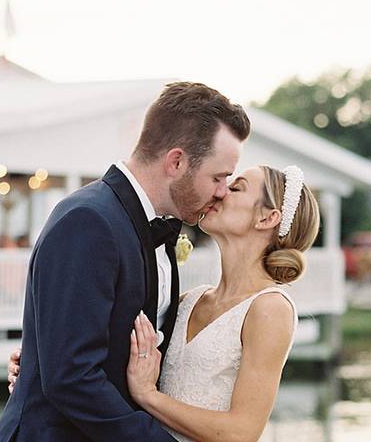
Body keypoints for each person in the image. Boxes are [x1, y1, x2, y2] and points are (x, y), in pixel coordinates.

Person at [0, 82, 250, 442]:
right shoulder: (88, 220)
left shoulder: (152, 225)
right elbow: (70, 377)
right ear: (177, 162)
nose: (223, 190)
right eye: (218, 177)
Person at [126, 165, 319, 442]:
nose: (219, 192)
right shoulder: (189, 300)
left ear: (267, 218)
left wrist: (148, 396)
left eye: (236, 187)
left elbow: (241, 432)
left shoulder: (270, 309)